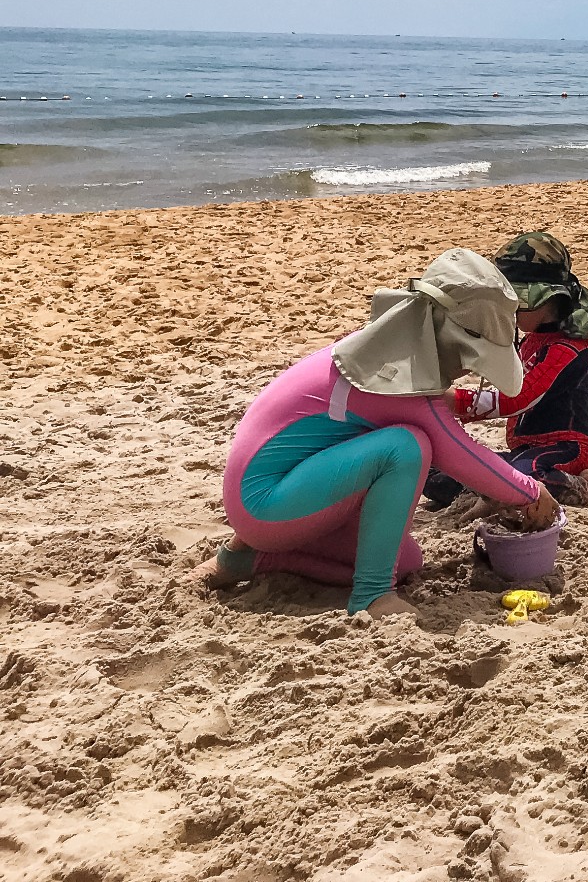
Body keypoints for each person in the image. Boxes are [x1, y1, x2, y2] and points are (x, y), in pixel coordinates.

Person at [192, 249, 558, 618]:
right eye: (467, 357)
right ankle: (371, 594)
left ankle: (251, 559)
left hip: (274, 502)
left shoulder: (378, 356)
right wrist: (529, 492)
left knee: (407, 561)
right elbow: (459, 453)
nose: (465, 368)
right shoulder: (396, 383)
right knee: (406, 447)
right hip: (266, 505)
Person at [424, 230, 588, 509]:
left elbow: (519, 397)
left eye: (517, 305)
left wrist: (457, 401)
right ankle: (492, 493)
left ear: (550, 300)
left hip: (563, 448)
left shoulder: (568, 347)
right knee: (437, 474)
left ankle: (579, 485)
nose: (510, 313)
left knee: (524, 477)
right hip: (523, 448)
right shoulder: (531, 337)